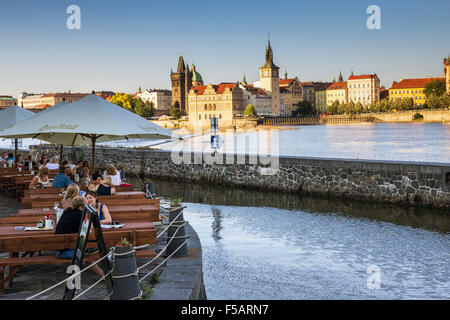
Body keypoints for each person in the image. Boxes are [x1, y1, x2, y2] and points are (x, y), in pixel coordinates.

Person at [54, 196, 104, 276]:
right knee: (95, 253)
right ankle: (106, 273)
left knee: (89, 254)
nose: (88, 207)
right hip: (67, 253)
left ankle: (104, 275)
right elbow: (91, 233)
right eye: (87, 205)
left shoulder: (68, 211)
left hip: (59, 250)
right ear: (81, 207)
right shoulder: (81, 215)